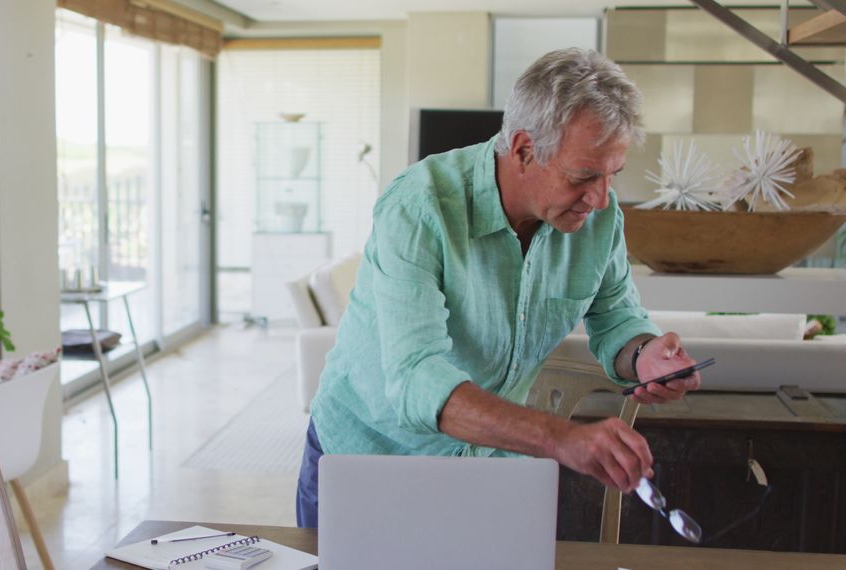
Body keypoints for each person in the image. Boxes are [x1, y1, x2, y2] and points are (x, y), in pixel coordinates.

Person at [295, 48, 703, 528]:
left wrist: (644, 355)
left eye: (612, 174)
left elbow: (615, 316)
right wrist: (560, 439)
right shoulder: (420, 206)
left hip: (489, 466)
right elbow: (415, 377)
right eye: (584, 176)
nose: (600, 198)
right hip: (370, 459)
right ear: (525, 150)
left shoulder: (598, 216)